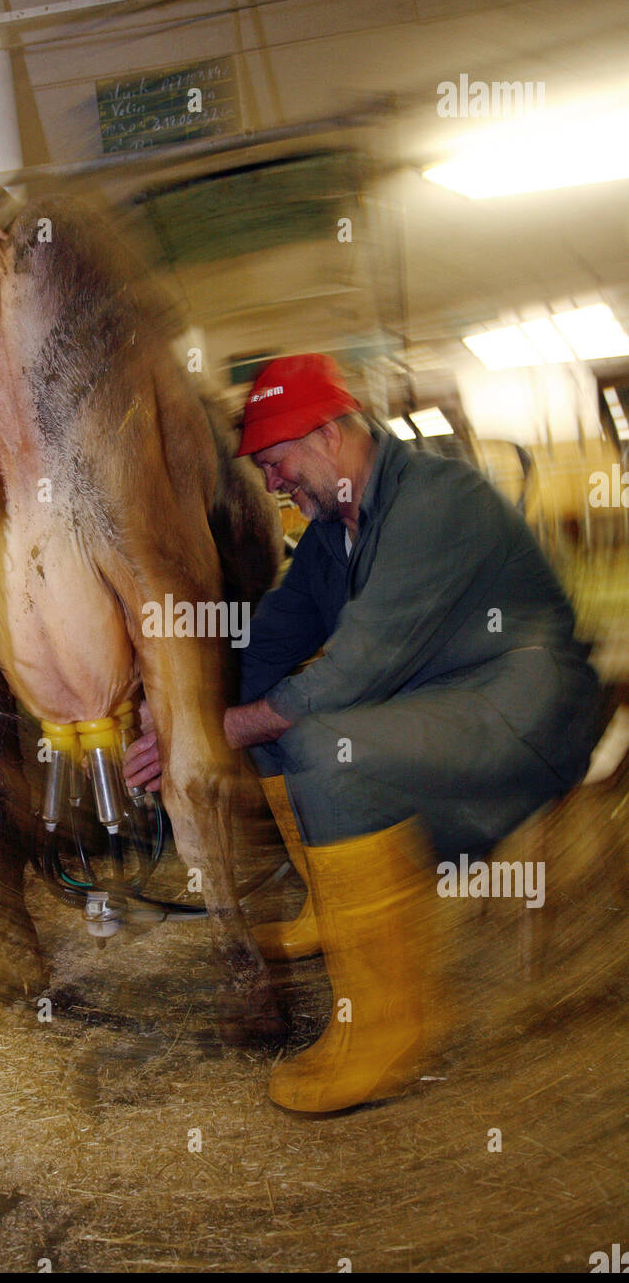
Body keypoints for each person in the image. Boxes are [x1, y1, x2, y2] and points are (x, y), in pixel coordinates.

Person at [124, 353, 603, 1114]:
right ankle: (335, 911)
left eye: (278, 462)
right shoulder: (331, 538)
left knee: (323, 750)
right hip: (442, 704)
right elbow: (267, 645)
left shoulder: (438, 501)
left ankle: (391, 1029)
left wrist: (213, 734)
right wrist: (179, 709)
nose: (273, 483)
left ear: (331, 434)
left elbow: (348, 675)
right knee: (279, 720)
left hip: (524, 709)